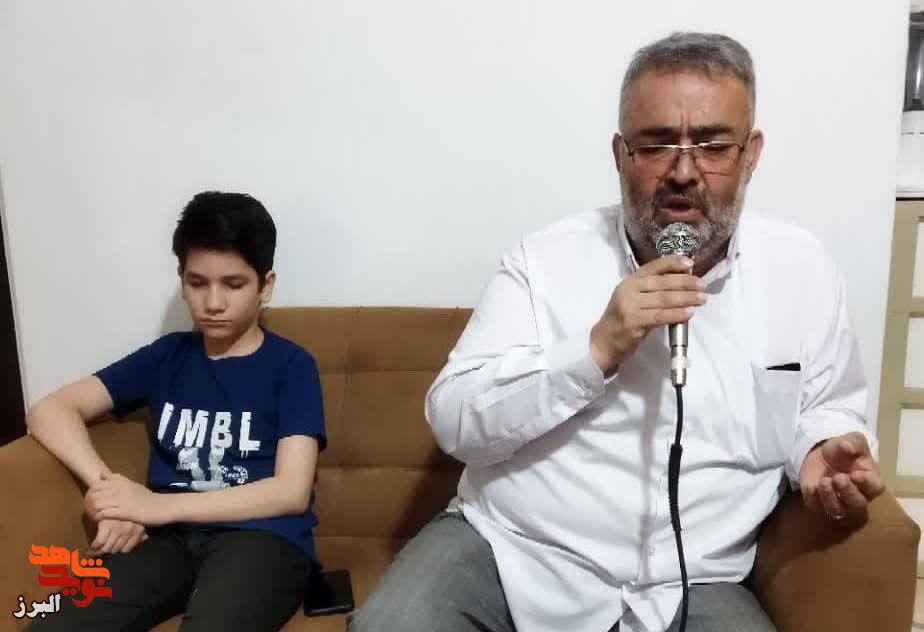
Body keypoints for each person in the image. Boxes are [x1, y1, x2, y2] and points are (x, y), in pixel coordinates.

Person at [349, 32, 883, 632]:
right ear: (620, 154)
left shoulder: (802, 270)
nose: (684, 172)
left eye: (712, 145)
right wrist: (595, 350)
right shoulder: (543, 260)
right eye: (655, 145)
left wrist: (820, 446)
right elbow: (454, 419)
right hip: (515, 551)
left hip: (692, 576)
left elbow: (828, 405)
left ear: (750, 153)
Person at [26, 191, 326, 632]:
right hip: (166, 540)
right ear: (182, 280)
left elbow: (290, 491)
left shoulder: (291, 365)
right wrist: (112, 494)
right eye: (197, 283)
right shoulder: (167, 356)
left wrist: (155, 505)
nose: (213, 303)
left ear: (266, 285)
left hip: (263, 536)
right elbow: (50, 410)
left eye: (234, 284)